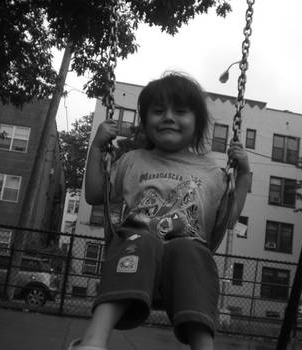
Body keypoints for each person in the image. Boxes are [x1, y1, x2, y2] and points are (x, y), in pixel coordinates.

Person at [73, 72, 250, 350]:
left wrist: (244, 175)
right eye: (158, 111)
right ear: (146, 122)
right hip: (137, 246)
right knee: (140, 240)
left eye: (180, 111)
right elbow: (95, 194)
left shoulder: (213, 173)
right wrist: (97, 147)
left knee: (193, 253)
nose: (168, 117)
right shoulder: (133, 160)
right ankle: (94, 340)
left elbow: (228, 219)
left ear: (198, 124)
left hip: (185, 254)